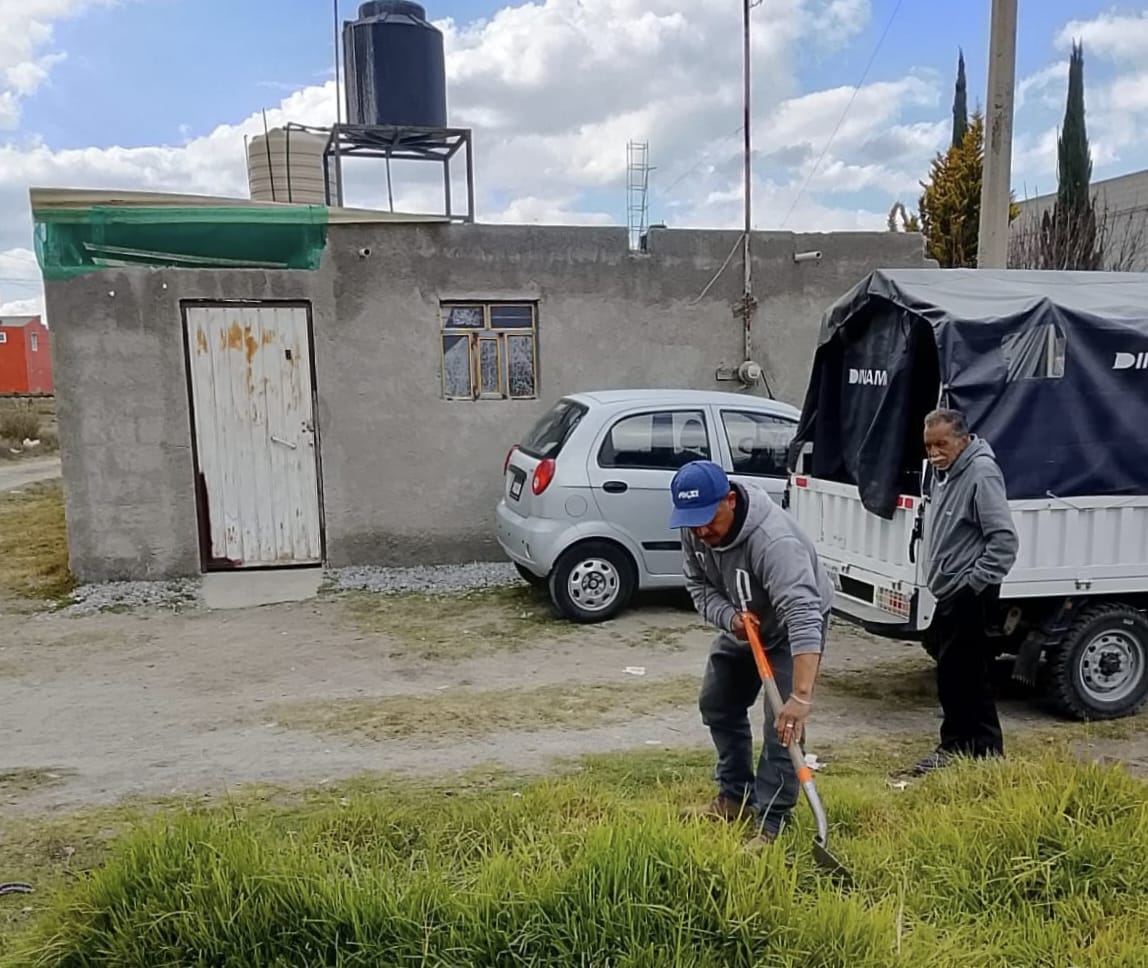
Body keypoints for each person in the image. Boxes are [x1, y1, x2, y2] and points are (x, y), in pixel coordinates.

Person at [670, 459, 834, 843]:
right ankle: (735, 797)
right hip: (745, 624)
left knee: (783, 724)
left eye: (708, 518)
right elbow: (696, 585)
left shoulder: (775, 542)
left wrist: (800, 696)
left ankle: (773, 821)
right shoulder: (696, 529)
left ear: (728, 499)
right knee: (717, 701)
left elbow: (804, 616)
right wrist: (729, 618)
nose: (701, 530)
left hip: (792, 627)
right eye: (691, 521)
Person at [910, 408, 1019, 775]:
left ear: (964, 440)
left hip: (970, 593)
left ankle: (968, 750)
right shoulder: (944, 474)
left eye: (942, 444)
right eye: (928, 446)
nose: (934, 452)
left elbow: (1003, 540)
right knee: (957, 674)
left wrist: (973, 585)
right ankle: (973, 751)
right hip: (951, 591)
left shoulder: (981, 472)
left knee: (965, 675)